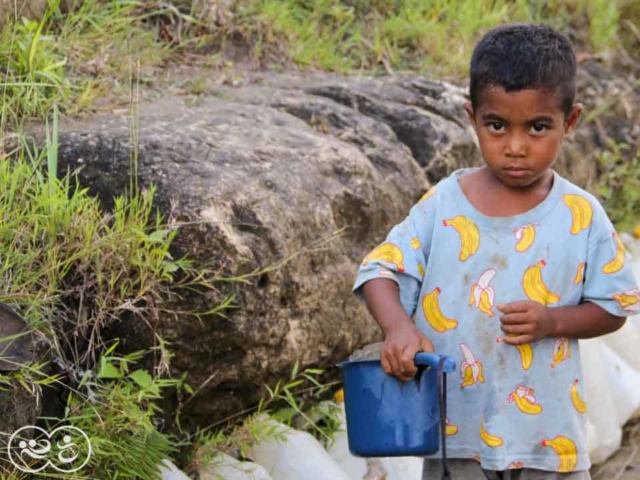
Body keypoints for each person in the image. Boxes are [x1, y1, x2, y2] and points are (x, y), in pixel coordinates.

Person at [353, 23, 640, 480]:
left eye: (538, 127)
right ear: (472, 117)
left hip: (548, 440)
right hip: (455, 439)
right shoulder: (443, 206)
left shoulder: (581, 216)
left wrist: (553, 321)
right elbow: (379, 270)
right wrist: (398, 328)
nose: (516, 147)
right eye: (497, 125)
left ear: (571, 122)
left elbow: (614, 307)